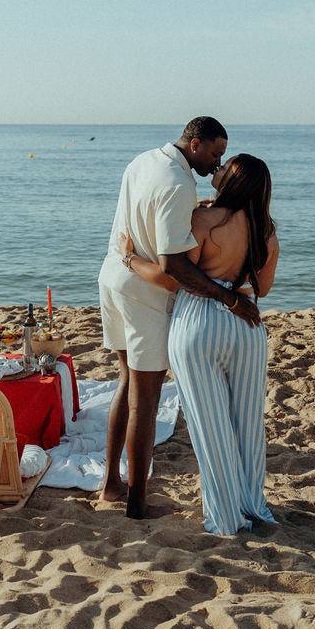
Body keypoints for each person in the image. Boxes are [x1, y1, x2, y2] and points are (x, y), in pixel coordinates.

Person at [98, 118, 261, 519]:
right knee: (146, 402)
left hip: (113, 278)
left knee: (126, 382)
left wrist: (200, 207)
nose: (217, 161)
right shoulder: (179, 184)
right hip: (145, 295)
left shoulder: (145, 161)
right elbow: (174, 268)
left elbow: (154, 216)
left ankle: (111, 485)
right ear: (195, 144)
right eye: (215, 152)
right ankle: (137, 505)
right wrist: (230, 299)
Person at [119, 153, 278, 535]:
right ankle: (251, 504)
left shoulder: (201, 220)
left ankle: (225, 518)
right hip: (247, 327)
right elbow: (265, 289)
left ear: (234, 181)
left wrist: (129, 259)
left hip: (199, 324)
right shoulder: (266, 230)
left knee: (211, 428)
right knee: (247, 425)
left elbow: (173, 276)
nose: (217, 168)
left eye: (226, 167)